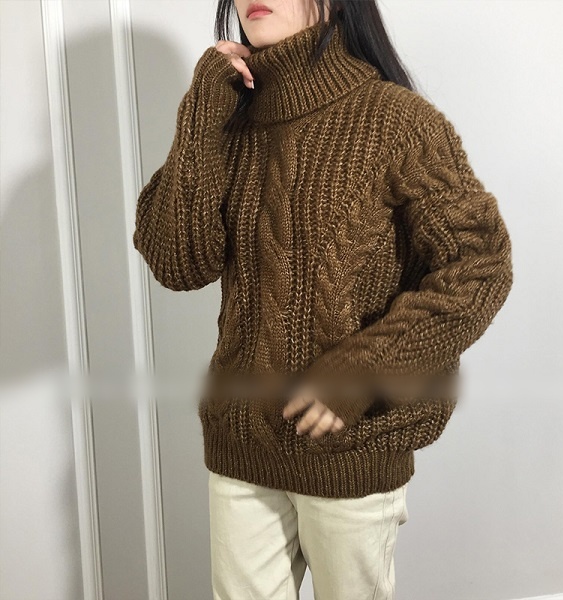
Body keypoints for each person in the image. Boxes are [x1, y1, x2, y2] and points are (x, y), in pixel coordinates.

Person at [132, 0, 513, 598]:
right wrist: (202, 113)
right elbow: (178, 263)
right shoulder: (228, 122)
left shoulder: (395, 121)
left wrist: (363, 369)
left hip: (352, 447)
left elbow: (480, 265)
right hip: (242, 447)